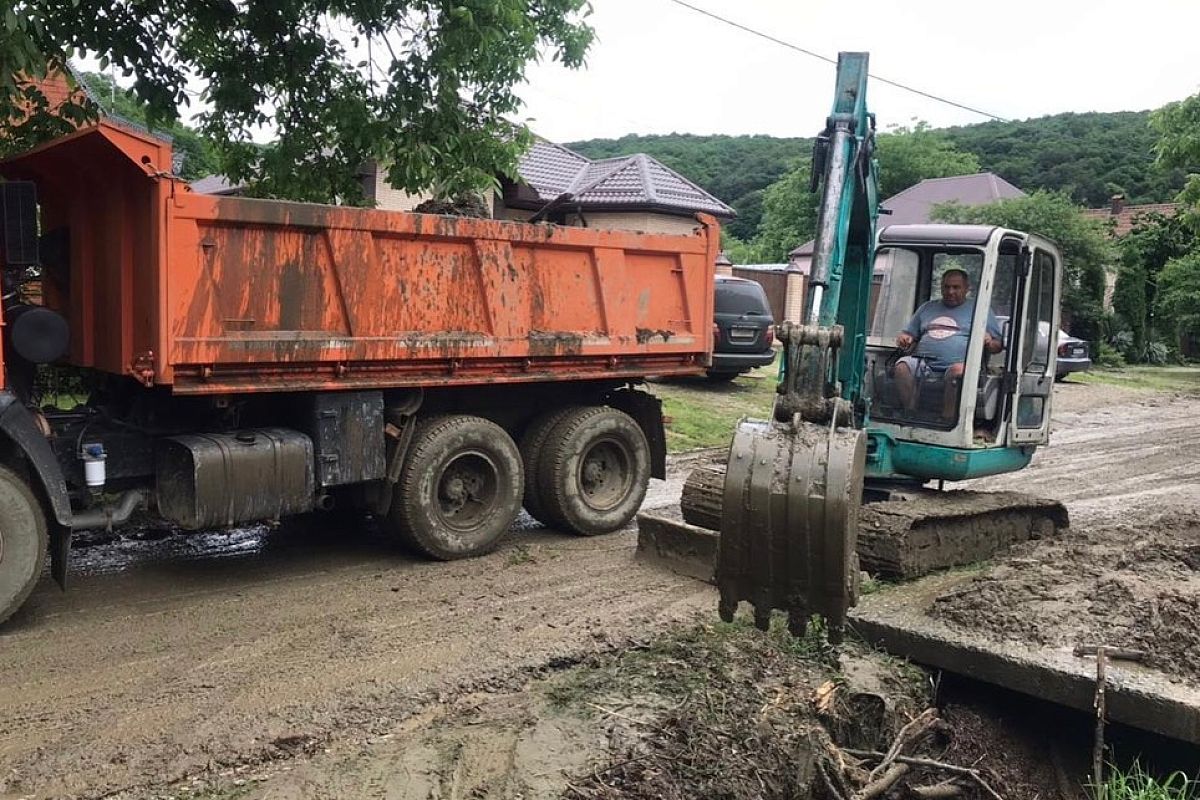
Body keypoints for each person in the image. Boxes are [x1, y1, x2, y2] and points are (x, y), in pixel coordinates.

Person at [894, 268, 1002, 420]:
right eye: (946, 287)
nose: (950, 291)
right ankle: (911, 414)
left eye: (956, 287)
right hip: (923, 363)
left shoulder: (980, 310)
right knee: (902, 367)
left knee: (956, 372)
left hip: (960, 365)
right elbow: (908, 334)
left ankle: (947, 421)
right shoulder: (927, 308)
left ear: (966, 288)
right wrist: (904, 338)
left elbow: (998, 345)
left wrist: (989, 341)